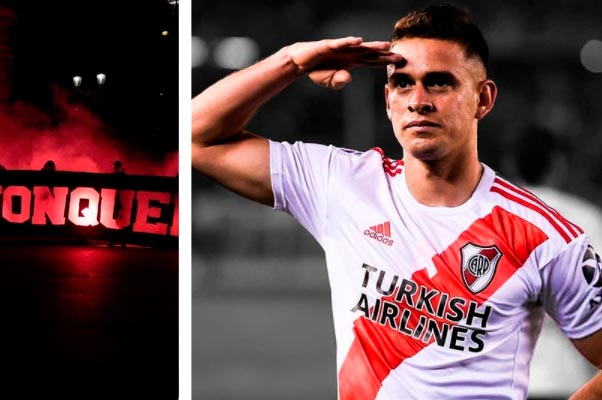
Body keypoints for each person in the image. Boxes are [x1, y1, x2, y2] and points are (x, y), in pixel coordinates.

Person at [192, 5, 602, 399]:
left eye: (440, 82)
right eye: (403, 82)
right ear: (388, 99)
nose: (418, 99)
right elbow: (196, 137)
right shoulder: (342, 184)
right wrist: (290, 62)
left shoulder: (546, 237)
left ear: (483, 98)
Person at [514, 126, 602, 399]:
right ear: (558, 164)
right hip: (568, 378)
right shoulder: (586, 220)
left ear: (510, 164)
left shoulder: (487, 217)